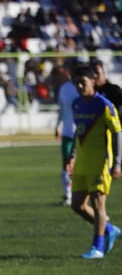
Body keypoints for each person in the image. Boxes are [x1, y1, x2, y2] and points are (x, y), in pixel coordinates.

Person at [66, 65, 122, 259]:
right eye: (76, 83)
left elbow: (117, 132)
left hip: (100, 163)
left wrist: (117, 162)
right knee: (77, 205)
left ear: (93, 82)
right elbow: (78, 131)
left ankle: (97, 248)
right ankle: (109, 229)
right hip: (82, 163)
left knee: (98, 204)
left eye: (83, 82)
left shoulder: (104, 105)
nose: (80, 86)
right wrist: (72, 155)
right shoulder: (76, 104)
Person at [55, 64, 80, 206]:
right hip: (67, 132)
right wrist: (57, 125)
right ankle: (68, 195)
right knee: (66, 164)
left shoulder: (83, 87)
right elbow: (61, 108)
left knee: (80, 165)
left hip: (82, 133)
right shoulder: (64, 89)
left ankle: (80, 193)